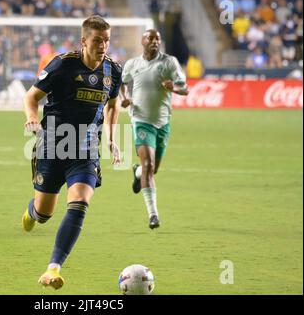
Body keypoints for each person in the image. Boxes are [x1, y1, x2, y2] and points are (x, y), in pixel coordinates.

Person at [21, 15, 122, 290]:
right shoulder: (62, 65)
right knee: (44, 214)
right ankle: (32, 213)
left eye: (107, 41)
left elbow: (113, 106)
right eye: (97, 41)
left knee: (79, 202)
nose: (103, 46)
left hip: (86, 149)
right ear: (84, 41)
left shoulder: (113, 71)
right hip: (54, 144)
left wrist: (112, 138)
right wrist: (31, 117)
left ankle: (53, 268)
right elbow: (31, 97)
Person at [119, 29, 189, 229]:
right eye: (150, 38)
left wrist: (173, 88)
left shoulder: (169, 63)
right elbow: (122, 85)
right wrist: (125, 100)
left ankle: (137, 172)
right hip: (140, 119)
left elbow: (185, 88)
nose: (155, 41)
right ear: (142, 41)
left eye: (158, 38)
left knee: (152, 169)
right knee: (149, 164)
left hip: (162, 122)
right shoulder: (133, 64)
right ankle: (153, 215)